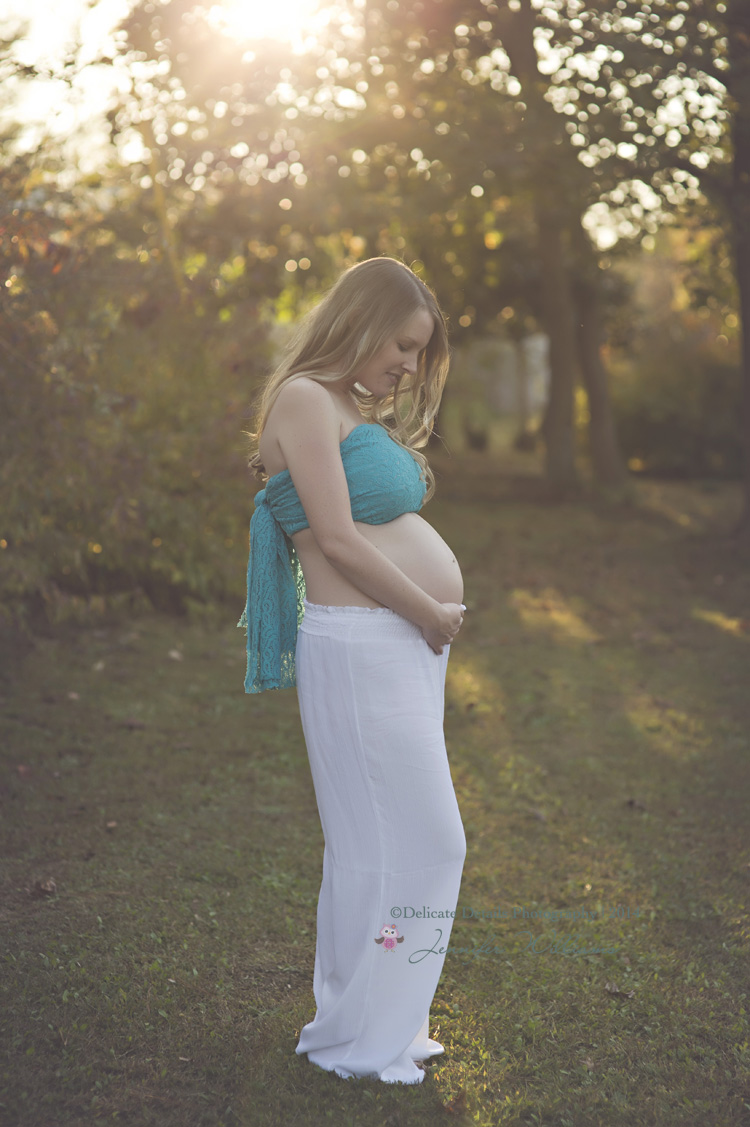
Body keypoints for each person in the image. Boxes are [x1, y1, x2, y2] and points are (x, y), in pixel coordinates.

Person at [238, 256, 467, 1085]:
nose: (408, 365)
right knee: (421, 842)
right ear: (362, 321)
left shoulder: (342, 407)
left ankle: (373, 1023)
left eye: (418, 352)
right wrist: (430, 611)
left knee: (386, 844)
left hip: (396, 645)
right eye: (403, 345)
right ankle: (359, 1033)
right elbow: (335, 539)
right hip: (368, 640)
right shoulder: (304, 399)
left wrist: (423, 621)